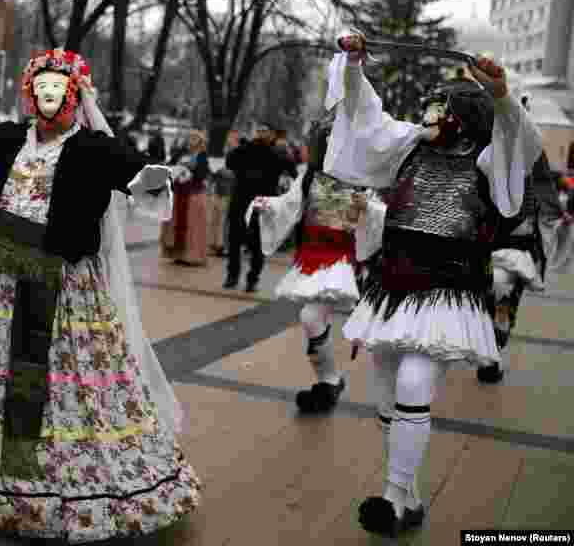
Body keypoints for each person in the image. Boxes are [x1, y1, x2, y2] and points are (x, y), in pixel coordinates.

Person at [0, 48, 200, 543]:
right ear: (31, 95)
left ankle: (61, 486)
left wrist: (153, 176)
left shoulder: (93, 148)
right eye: (42, 89)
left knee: (63, 378)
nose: (49, 98)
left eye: (59, 90)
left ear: (74, 97)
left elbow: (132, 169)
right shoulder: (7, 138)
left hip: (65, 285)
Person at [327, 32, 543, 537]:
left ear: (463, 116)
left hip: (447, 290)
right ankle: (407, 496)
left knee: (413, 384)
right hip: (393, 287)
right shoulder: (409, 147)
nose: (428, 116)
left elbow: (518, 141)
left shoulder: (486, 160)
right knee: (387, 397)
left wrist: (502, 95)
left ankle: (391, 497)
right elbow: (366, 116)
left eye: (438, 109)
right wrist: (354, 66)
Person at [247, 109, 382, 413]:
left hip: (342, 260)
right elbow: (290, 205)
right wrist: (268, 205)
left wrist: (369, 209)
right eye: (329, 139)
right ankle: (329, 381)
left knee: (311, 317)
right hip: (311, 257)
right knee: (312, 320)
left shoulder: (365, 180)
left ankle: (329, 381)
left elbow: (381, 218)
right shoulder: (310, 176)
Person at [478, 95, 573, 383]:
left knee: (499, 290)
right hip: (499, 234)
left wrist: (556, 216)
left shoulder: (526, 152)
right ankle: (495, 337)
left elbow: (545, 187)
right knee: (495, 292)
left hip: (513, 236)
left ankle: (494, 344)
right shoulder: (493, 149)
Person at [224, 123, 298, 291]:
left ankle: (252, 279)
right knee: (234, 240)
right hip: (240, 201)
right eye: (258, 131)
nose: (260, 134)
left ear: (272, 135)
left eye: (265, 131)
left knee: (258, 243)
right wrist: (242, 146)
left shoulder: (276, 153)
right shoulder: (245, 149)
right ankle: (232, 276)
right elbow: (229, 162)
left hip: (263, 204)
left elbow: (293, 171)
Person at [160, 129, 209, 265]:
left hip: (193, 194)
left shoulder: (202, 156)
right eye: (190, 137)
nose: (192, 140)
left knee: (191, 226)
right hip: (178, 192)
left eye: (195, 138)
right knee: (175, 223)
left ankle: (191, 256)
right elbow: (170, 164)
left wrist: (189, 172)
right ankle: (176, 254)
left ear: (200, 141)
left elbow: (202, 174)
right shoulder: (182, 153)